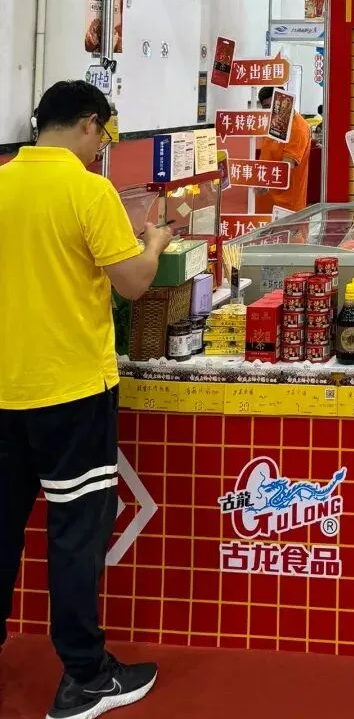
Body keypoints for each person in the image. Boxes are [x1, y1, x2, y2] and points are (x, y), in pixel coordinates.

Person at [0, 80, 172, 719]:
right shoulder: (88, 189)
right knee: (75, 534)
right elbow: (133, 284)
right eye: (103, 134)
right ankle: (84, 676)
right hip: (71, 392)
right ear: (89, 124)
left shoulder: (2, 182)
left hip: (5, 391)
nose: (102, 146)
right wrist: (153, 242)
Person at [253, 87, 312, 216]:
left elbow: (287, 166)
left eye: (275, 106)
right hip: (266, 201)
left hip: (286, 206)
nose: (272, 111)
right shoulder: (274, 123)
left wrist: (263, 181)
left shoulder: (297, 128)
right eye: (267, 107)